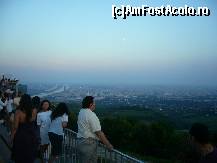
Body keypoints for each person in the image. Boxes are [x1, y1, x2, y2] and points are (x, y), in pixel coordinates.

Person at [77, 96, 113, 163]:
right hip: (89, 144)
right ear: (90, 104)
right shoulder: (91, 115)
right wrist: (108, 145)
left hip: (80, 142)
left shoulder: (81, 112)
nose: (95, 104)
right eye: (94, 103)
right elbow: (99, 132)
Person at [11, 94, 38, 163]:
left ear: (21, 100)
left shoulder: (18, 112)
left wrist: (12, 137)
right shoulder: (34, 110)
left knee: (20, 155)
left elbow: (15, 127)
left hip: (21, 135)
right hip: (31, 134)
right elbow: (33, 121)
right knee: (29, 154)